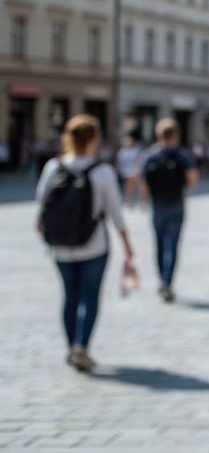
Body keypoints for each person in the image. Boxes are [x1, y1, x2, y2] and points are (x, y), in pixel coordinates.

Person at [34, 115, 134, 371]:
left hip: (61, 248)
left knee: (69, 296)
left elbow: (39, 212)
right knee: (89, 297)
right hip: (94, 245)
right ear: (95, 139)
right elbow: (116, 213)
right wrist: (127, 245)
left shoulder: (52, 168)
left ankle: (70, 347)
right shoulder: (102, 171)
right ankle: (82, 347)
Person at [139, 118, 198, 302]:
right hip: (176, 204)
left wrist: (144, 200)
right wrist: (182, 189)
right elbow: (193, 180)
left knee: (159, 245)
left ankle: (161, 281)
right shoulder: (183, 155)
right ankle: (168, 282)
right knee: (172, 246)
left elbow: (143, 183)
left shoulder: (149, 155)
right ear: (177, 135)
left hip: (157, 206)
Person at [115, 135, 141, 206]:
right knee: (127, 186)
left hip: (132, 171)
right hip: (124, 171)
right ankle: (128, 199)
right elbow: (119, 162)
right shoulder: (121, 151)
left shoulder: (135, 150)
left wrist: (137, 170)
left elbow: (137, 161)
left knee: (131, 186)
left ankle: (131, 200)